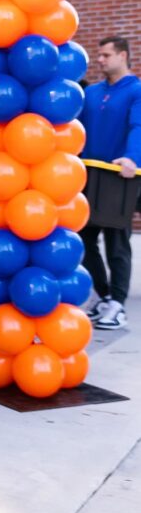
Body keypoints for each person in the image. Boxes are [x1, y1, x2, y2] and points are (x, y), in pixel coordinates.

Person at [80, 36, 141, 330]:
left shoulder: (137, 90)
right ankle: (102, 296)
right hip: (87, 174)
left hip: (120, 175)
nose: (100, 60)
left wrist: (133, 158)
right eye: (99, 55)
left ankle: (117, 304)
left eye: (105, 55)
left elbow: (138, 125)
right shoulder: (91, 92)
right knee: (84, 240)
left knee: (117, 243)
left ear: (123, 55)